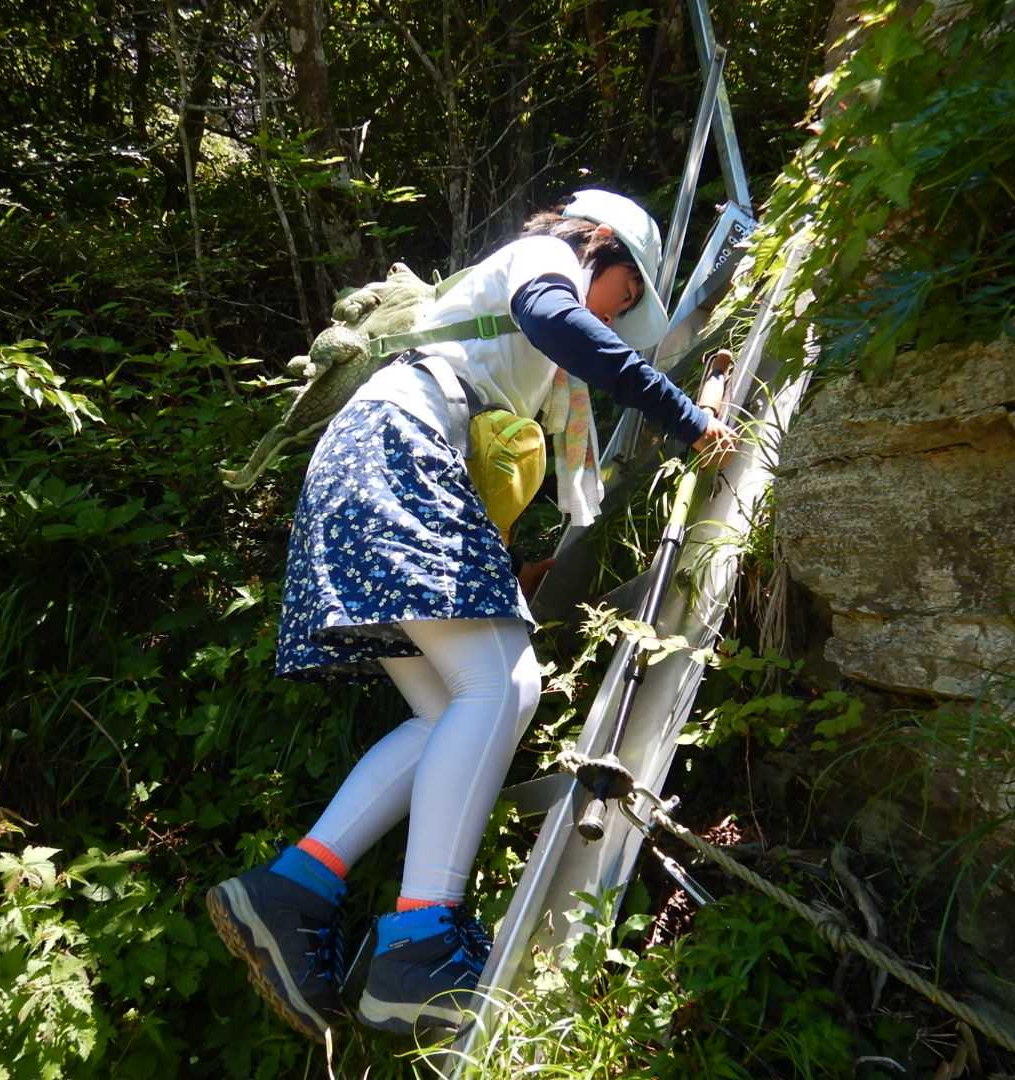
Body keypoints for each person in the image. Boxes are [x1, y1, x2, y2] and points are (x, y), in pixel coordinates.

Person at [207, 189, 735, 1042]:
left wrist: (507, 562)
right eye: (626, 293)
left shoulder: (500, 345)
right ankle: (419, 945)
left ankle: (292, 891)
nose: (615, 313)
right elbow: (558, 321)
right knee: (502, 689)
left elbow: (498, 436)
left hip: (368, 458)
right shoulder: (545, 261)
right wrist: (687, 418)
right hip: (397, 449)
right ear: (599, 244)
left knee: (448, 710)